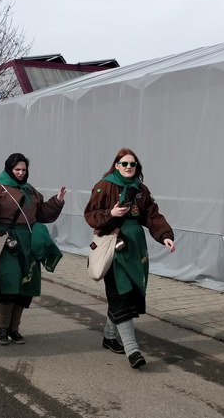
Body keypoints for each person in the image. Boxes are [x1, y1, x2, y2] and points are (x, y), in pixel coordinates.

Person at [83, 148, 175, 369]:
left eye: (132, 164)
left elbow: (152, 215)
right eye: (124, 164)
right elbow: (90, 215)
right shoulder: (103, 186)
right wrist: (111, 214)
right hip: (113, 247)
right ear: (116, 165)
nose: (128, 167)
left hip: (135, 249)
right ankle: (132, 349)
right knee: (120, 293)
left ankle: (109, 336)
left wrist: (165, 235)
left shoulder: (141, 190)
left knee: (129, 293)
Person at [0, 153, 66, 345]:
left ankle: (14, 329)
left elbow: (41, 214)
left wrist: (57, 201)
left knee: (25, 286)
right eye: (17, 169)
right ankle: (2, 328)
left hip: (28, 242)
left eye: (23, 169)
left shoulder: (29, 189)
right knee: (8, 284)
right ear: (9, 169)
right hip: (6, 241)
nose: (21, 173)